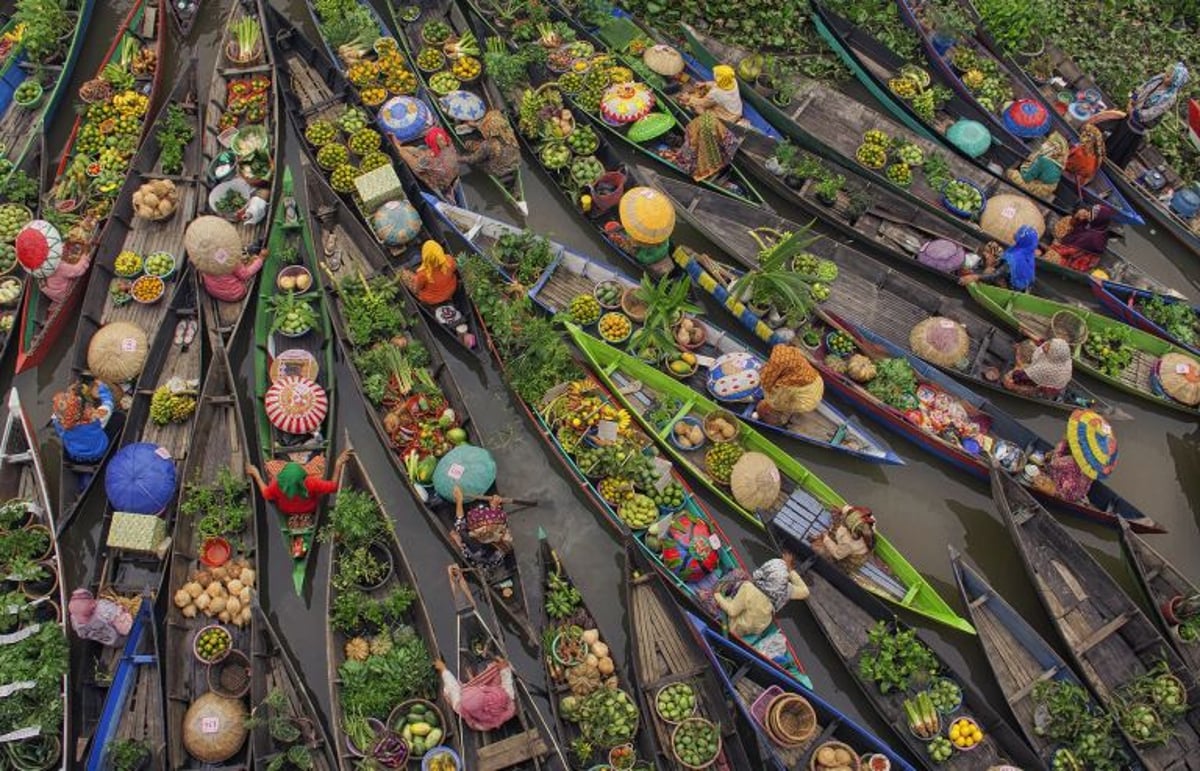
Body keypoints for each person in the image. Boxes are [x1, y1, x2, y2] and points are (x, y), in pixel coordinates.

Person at [245, 450, 350, 557]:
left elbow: (266, 494)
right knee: (319, 461)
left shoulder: (278, 484)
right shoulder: (310, 482)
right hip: (310, 510)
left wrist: (256, 474)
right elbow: (333, 487)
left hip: (288, 512)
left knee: (272, 464)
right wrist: (338, 464)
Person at [1106, 62, 1190, 168]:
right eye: (1167, 74)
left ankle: (1111, 164)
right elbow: (1143, 88)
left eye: (1169, 77)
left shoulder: (1170, 97)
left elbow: (1153, 112)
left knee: (1123, 145)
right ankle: (1105, 151)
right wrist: (1133, 99)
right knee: (1117, 135)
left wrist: (1135, 113)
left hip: (1141, 122)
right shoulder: (1158, 79)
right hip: (1133, 111)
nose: (1166, 76)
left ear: (1174, 83)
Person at [713, 552, 808, 639]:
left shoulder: (748, 588)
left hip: (738, 627)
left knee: (727, 594)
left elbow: (732, 611)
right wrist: (790, 570)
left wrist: (717, 594)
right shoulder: (786, 589)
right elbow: (805, 592)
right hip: (758, 629)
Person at [1043, 410, 1116, 502]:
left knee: (1049, 462)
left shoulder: (1072, 461)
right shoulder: (1095, 462)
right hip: (1081, 492)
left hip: (1066, 494)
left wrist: (1063, 443)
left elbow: (1054, 463)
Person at [435, 657, 517, 732]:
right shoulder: (500, 698)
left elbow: (452, 686)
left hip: (483, 723)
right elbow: (508, 688)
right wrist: (504, 669)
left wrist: (443, 669)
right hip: (493, 718)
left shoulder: (461, 707)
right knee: (499, 669)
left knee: (447, 691)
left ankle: (473, 682)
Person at [756, 344, 824, 426]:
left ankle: (778, 419)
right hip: (818, 381)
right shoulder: (792, 356)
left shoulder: (785, 386)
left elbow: (776, 401)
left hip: (808, 400)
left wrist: (768, 402)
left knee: (779, 402)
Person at [451, 485, 512, 570]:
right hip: (494, 549)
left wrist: (459, 500)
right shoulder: (500, 530)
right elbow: (495, 525)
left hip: (490, 556)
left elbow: (460, 524)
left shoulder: (475, 543)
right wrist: (495, 507)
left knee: (455, 535)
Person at [51, 380, 114, 463]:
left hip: (75, 456)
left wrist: (72, 390)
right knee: (118, 417)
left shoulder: (58, 421)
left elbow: (67, 410)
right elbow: (108, 403)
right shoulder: (94, 417)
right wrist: (103, 389)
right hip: (99, 452)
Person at [960, 225, 1038, 291]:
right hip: (1022, 280)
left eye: (1018, 234)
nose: (1015, 234)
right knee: (992, 245)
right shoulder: (1027, 251)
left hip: (1013, 286)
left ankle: (995, 286)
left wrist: (975, 277)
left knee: (988, 273)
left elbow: (995, 275)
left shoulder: (1013, 259)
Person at [1042, 204, 1115, 273]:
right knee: (1068, 219)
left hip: (1076, 262)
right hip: (1073, 247)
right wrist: (1077, 216)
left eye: (1091, 214)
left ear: (1098, 219)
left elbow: (1071, 252)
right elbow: (1076, 226)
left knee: (1051, 256)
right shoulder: (1096, 226)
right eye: (1090, 211)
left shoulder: (1092, 238)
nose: (1088, 213)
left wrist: (1054, 247)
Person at [395, 127, 461, 201]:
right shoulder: (450, 146)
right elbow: (418, 151)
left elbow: (412, 162)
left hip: (439, 185)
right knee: (419, 151)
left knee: (413, 165)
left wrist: (398, 147)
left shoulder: (429, 160)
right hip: (450, 178)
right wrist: (402, 148)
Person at [668, 112, 738, 182]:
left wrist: (674, 156)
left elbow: (688, 158)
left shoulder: (695, 141)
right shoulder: (727, 137)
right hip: (723, 156)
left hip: (705, 165)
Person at [810, 504, 876, 572]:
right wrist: (840, 511)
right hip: (850, 546)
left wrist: (825, 538)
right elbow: (848, 510)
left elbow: (837, 554)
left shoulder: (849, 542)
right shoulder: (867, 520)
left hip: (850, 557)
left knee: (817, 548)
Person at [1003, 337, 1073, 398]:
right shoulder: (1064, 359)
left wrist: (1018, 364)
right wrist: (1032, 336)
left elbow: (1018, 376)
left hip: (1042, 389)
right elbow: (1043, 343)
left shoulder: (1043, 369)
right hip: (1049, 379)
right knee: (1029, 344)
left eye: (1047, 348)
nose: (1043, 346)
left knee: (1008, 380)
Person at [461, 110, 521, 180]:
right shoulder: (508, 132)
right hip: (516, 163)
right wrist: (475, 125)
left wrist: (459, 159)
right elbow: (489, 127)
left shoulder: (487, 145)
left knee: (470, 146)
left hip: (498, 170)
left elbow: (473, 159)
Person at [1006, 133, 1068, 199]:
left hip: (1040, 189)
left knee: (1011, 173)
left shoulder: (1043, 160)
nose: (1045, 144)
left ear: (1052, 147)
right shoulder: (1058, 161)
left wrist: (1025, 165)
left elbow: (1026, 178)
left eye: (1048, 143)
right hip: (1049, 187)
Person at [679, 63, 743, 124]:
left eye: (716, 75)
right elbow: (718, 84)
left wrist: (689, 98)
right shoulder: (732, 80)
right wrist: (705, 83)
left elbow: (703, 103)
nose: (714, 75)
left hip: (729, 116)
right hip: (736, 109)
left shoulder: (716, 93)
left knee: (699, 108)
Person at [401, 240, 458, 305]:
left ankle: (401, 272)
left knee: (403, 273)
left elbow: (417, 288)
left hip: (432, 299)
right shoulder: (449, 260)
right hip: (451, 290)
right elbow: (454, 268)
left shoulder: (422, 273)